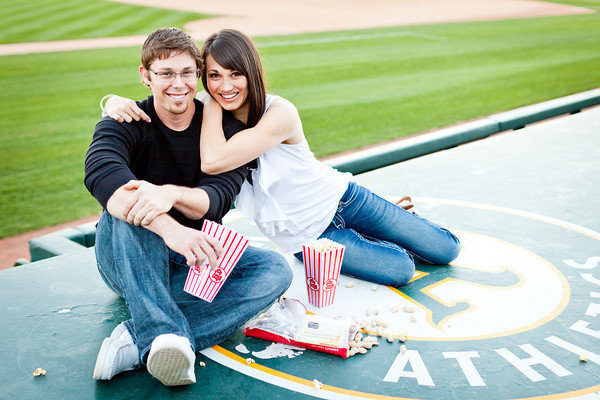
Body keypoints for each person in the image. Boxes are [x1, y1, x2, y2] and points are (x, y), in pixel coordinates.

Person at [103, 28, 460, 289]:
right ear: (203, 77)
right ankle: (384, 230)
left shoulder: (279, 111)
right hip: (306, 238)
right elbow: (183, 132)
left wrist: (208, 101)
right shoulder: (207, 119)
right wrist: (113, 102)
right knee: (400, 269)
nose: (225, 86)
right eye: (214, 76)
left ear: (250, 73)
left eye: (235, 74)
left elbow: (213, 162)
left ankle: (390, 217)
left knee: (446, 250)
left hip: (342, 200)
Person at [84, 27, 292, 386]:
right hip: (126, 256)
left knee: (275, 271)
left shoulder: (224, 130)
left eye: (185, 73)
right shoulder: (125, 121)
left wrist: (172, 196)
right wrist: (169, 227)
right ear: (145, 76)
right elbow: (101, 176)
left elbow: (217, 198)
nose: (177, 84)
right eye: (165, 73)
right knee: (133, 205)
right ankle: (161, 332)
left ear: (197, 75)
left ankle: (140, 338)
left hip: (193, 256)